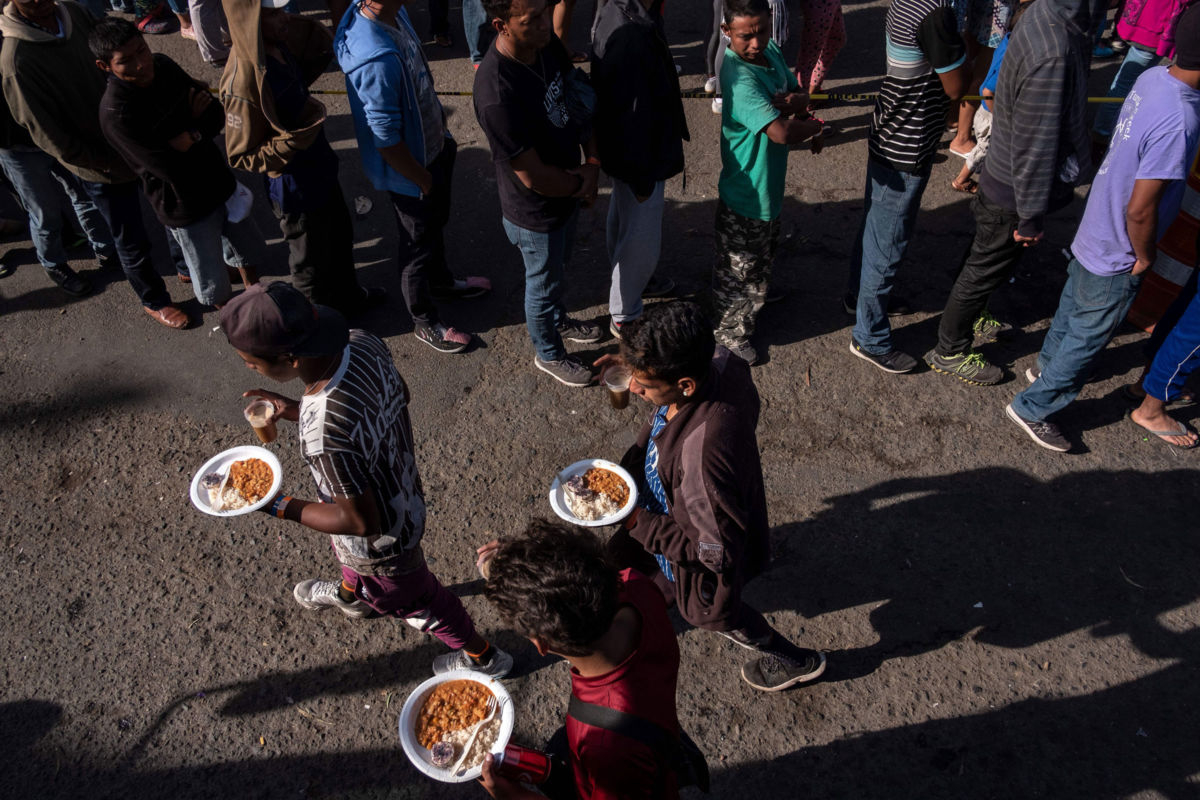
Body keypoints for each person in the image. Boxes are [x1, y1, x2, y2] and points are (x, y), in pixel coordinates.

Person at [219, 282, 515, 678]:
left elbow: (360, 523)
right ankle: (351, 597)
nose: (249, 369)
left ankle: (483, 657)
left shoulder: (322, 433)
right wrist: (299, 407)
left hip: (384, 544)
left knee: (419, 601)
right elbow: (401, 394)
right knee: (346, 554)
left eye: (252, 363)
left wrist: (273, 503)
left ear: (289, 359)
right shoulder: (362, 342)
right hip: (403, 490)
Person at [595, 301, 827, 692]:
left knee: (714, 613)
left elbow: (711, 551)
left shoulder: (701, 458)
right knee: (619, 567)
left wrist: (635, 520)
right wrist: (634, 362)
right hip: (664, 509)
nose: (635, 388)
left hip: (694, 560)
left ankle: (794, 659)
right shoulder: (720, 362)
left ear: (685, 385)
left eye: (645, 385)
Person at [1005, 11, 1200, 451]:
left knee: (1073, 313)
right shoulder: (1182, 122)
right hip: (1119, 247)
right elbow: (1141, 209)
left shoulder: (1154, 78)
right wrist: (1144, 255)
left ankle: (1045, 367)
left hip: (1095, 225)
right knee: (1089, 337)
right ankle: (1035, 406)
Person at [927, 0, 1096, 385]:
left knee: (986, 261)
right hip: (1014, 190)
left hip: (1005, 178)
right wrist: (1032, 215)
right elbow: (1036, 144)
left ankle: (972, 315)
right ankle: (949, 350)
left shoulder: (1041, 13)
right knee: (983, 267)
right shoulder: (1053, 49)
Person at [0, 0, 190, 328]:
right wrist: (105, 162)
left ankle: (186, 267)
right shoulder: (17, 60)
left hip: (136, 138)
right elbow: (49, 136)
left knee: (170, 208)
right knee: (129, 238)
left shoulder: (72, 12)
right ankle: (154, 299)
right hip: (100, 165)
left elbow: (114, 49)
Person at [477, 520, 686, 800]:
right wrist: (526, 562)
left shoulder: (604, 746)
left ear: (541, 643)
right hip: (655, 728)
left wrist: (514, 796)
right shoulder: (637, 586)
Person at [337, 0, 492, 354]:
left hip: (434, 149)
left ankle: (440, 282)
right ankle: (424, 321)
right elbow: (386, 140)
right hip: (413, 171)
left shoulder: (397, 14)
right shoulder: (373, 57)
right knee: (416, 245)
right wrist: (421, 179)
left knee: (433, 226)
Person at [221, 0, 384, 317]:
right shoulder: (243, 80)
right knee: (309, 262)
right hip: (293, 186)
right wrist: (294, 141)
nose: (283, 18)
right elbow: (242, 156)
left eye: (281, 10)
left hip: (320, 167)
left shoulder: (280, 47)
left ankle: (349, 299)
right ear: (250, 22)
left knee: (338, 238)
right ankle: (316, 327)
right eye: (271, 14)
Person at [473, 0, 604, 387]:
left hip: (567, 189)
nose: (547, 25)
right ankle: (548, 353)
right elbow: (532, 176)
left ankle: (557, 319)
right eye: (533, 21)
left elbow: (579, 100)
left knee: (557, 271)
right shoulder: (496, 92)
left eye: (547, 12)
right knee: (542, 283)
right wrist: (584, 184)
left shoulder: (544, 44)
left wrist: (593, 164)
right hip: (534, 211)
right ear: (502, 26)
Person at [92, 19, 262, 309]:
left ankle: (257, 299)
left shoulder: (164, 66)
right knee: (212, 280)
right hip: (185, 206)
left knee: (245, 249)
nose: (142, 64)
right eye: (126, 61)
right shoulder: (116, 114)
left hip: (219, 181)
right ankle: (237, 323)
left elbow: (215, 117)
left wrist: (188, 136)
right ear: (104, 66)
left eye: (142, 51)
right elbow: (168, 169)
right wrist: (192, 123)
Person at [844, 0, 968, 375]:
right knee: (888, 244)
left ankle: (857, 297)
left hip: (892, 130)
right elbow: (956, 85)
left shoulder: (907, 3)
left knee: (876, 231)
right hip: (907, 144)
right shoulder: (935, 13)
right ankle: (869, 338)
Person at [713, 0, 823, 366]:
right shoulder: (740, 77)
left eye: (762, 31)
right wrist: (813, 126)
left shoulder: (770, 51)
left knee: (758, 259)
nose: (757, 43)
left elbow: (794, 93)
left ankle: (754, 296)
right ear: (727, 32)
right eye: (746, 36)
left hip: (767, 188)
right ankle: (729, 336)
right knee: (739, 272)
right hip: (746, 193)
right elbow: (780, 131)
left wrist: (801, 102)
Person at [590, 0, 688, 338]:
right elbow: (631, 116)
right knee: (641, 239)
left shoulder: (625, 10)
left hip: (631, 152)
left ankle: (632, 285)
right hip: (640, 155)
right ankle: (625, 314)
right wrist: (642, 172)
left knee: (624, 217)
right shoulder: (628, 35)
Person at [0, 74, 117, 297]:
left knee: (86, 195)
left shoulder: (14, 43)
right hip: (17, 150)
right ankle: (55, 265)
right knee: (45, 213)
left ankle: (106, 250)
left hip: (56, 135)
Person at [1092, 0, 1191, 147]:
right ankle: (1101, 134)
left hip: (1138, 16)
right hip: (1154, 26)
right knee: (1125, 85)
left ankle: (1102, 131)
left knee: (1124, 82)